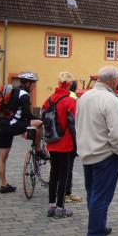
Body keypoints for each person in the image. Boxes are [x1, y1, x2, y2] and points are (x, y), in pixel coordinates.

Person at [75, 66, 118, 236]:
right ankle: (95, 231)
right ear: (113, 81)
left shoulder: (84, 97)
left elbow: (77, 124)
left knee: (93, 194)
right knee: (101, 197)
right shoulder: (111, 100)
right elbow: (117, 133)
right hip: (105, 155)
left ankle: (99, 225)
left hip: (87, 153)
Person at [0, 71, 45, 193]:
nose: (34, 86)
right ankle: (39, 150)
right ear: (28, 83)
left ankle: (4, 185)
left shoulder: (12, 91)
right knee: (39, 124)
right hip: (12, 125)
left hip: (2, 125)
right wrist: (39, 119)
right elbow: (27, 114)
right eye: (33, 84)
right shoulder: (24, 94)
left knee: (2, 157)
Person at [42, 71, 77, 218]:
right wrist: (77, 144)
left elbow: (44, 120)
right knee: (64, 175)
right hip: (66, 144)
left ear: (58, 83)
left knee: (53, 174)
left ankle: (51, 206)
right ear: (69, 84)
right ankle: (60, 208)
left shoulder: (48, 100)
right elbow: (73, 125)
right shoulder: (70, 101)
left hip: (52, 142)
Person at [64, 80, 82, 203]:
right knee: (68, 167)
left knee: (56, 167)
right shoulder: (74, 98)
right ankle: (67, 193)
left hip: (54, 137)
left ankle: (57, 192)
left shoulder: (55, 96)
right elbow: (76, 120)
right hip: (69, 138)